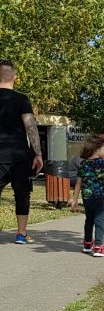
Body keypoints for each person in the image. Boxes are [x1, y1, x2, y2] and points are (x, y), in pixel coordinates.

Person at [0, 60, 43, 244]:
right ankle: (21, 233)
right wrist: (38, 153)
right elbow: (30, 126)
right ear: (15, 78)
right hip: (19, 155)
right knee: (22, 194)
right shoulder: (21, 99)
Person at [70, 134, 104, 258]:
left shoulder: (84, 164)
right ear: (97, 150)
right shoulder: (103, 163)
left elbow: (78, 183)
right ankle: (98, 247)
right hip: (100, 198)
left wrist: (74, 200)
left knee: (89, 220)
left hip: (87, 198)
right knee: (99, 222)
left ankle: (87, 244)